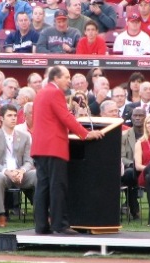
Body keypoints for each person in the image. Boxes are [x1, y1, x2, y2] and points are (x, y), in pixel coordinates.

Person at [31, 65, 104, 235]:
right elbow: (65, 117)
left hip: (40, 146)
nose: (68, 80)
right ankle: (60, 224)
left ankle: (41, 225)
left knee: (43, 187)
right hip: (53, 146)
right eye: (66, 77)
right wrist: (85, 134)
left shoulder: (41, 92)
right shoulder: (55, 92)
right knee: (58, 186)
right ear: (56, 78)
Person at [0, 104, 36, 228]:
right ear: (1, 118)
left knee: (37, 174)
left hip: (20, 174)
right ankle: (1, 214)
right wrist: (7, 171)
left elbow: (29, 160)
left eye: (14, 115)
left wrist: (22, 171)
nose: (13, 118)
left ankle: (41, 213)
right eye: (9, 115)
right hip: (2, 173)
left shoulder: (24, 136)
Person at [121, 107, 146, 220]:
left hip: (148, 169)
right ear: (131, 118)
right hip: (131, 168)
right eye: (135, 115)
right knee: (129, 173)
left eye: (141, 115)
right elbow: (121, 156)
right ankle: (134, 209)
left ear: (145, 117)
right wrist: (133, 164)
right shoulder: (124, 135)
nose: (137, 118)